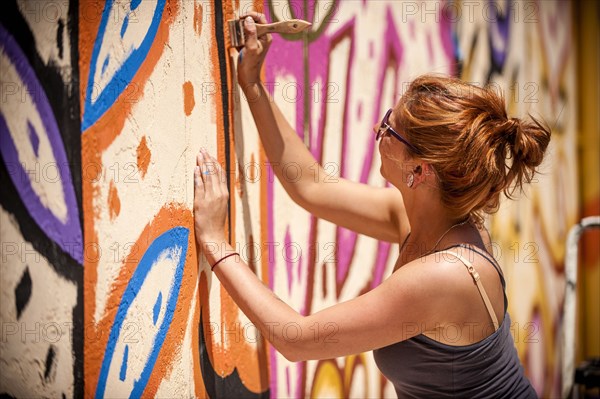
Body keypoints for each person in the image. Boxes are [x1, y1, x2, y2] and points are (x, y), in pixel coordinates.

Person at [193, 14, 550, 398]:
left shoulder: (446, 274)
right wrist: (251, 84)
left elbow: (296, 339)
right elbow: (310, 185)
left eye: (388, 128)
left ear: (420, 169)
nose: (377, 131)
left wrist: (215, 242)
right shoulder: (426, 219)